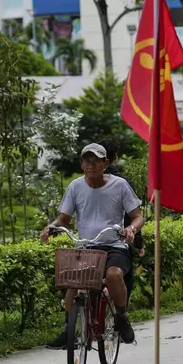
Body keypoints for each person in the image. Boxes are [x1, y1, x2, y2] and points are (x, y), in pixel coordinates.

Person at [42, 143, 144, 349]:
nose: (91, 166)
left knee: (114, 275)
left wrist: (131, 229)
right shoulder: (75, 187)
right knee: (73, 284)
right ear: (81, 165)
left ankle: (121, 317)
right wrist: (50, 227)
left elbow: (138, 216)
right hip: (87, 247)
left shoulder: (120, 185)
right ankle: (69, 329)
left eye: (95, 161)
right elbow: (63, 219)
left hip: (114, 245)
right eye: (86, 162)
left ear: (105, 163)